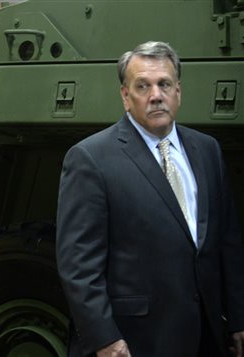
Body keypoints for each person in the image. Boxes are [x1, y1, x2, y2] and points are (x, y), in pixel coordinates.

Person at [56, 41, 244, 357]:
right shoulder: (90, 158)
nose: (156, 95)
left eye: (164, 84)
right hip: (136, 342)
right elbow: (78, 265)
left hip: (206, 335)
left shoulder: (207, 149)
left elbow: (228, 242)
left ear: (178, 92)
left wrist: (239, 317)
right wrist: (104, 339)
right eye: (143, 86)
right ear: (126, 97)